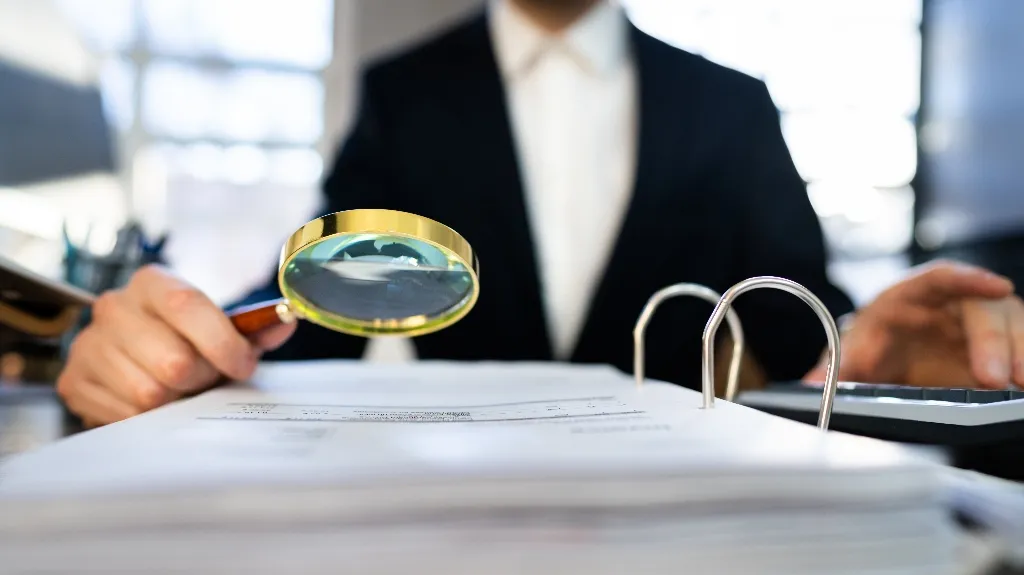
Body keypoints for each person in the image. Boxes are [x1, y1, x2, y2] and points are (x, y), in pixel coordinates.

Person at [56, 0, 1024, 427]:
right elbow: (317, 300)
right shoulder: (405, 94)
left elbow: (797, 318)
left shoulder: (728, 106)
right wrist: (173, 343)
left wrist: (873, 365)